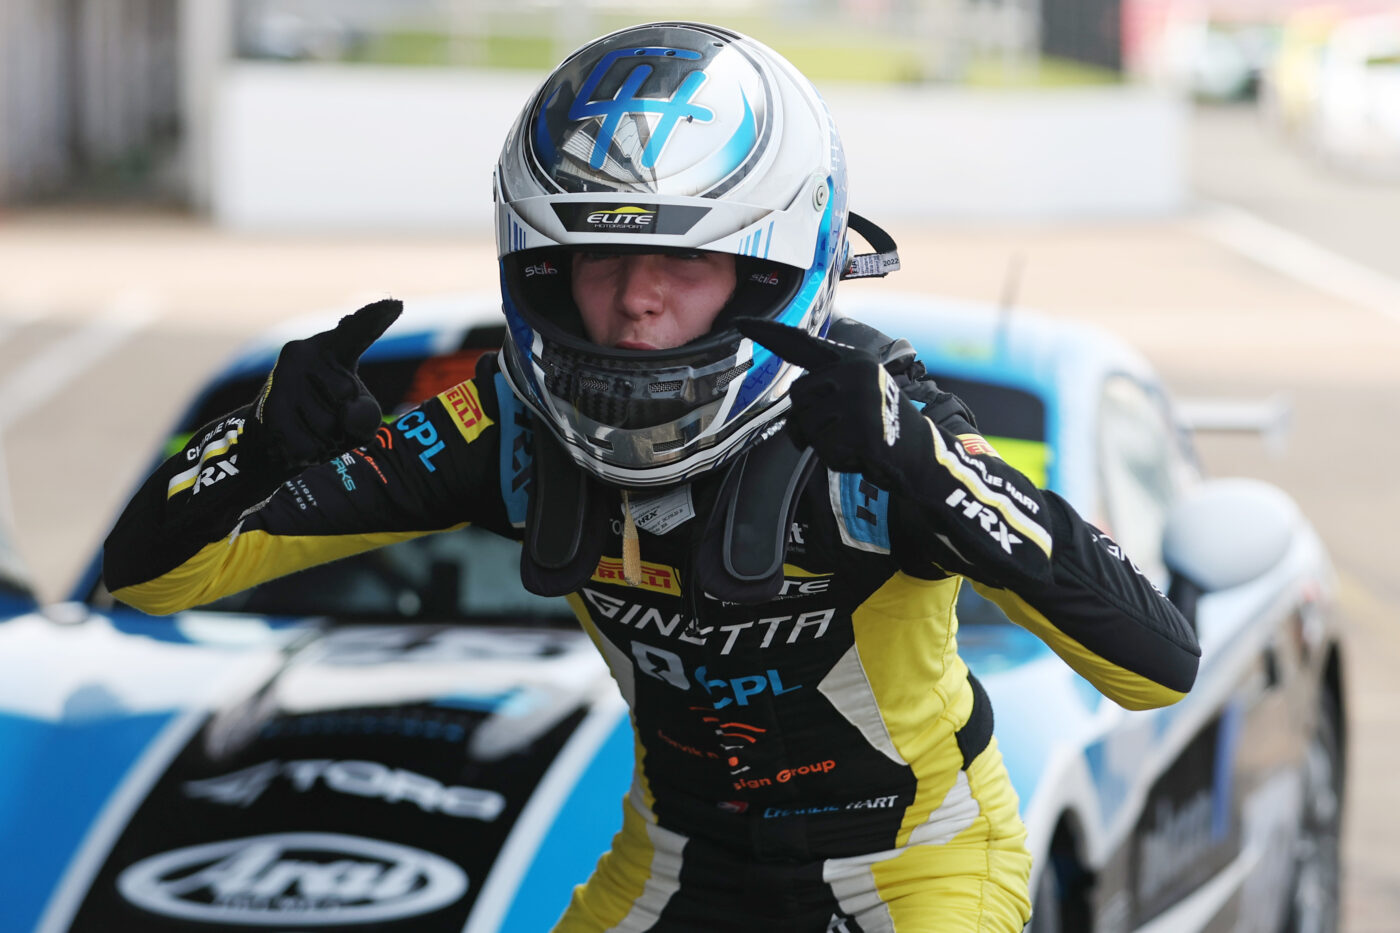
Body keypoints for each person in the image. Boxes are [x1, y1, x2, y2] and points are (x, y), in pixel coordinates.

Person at [104, 21, 1199, 932]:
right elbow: (151, 582)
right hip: (671, 864)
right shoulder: (504, 424)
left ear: (775, 266)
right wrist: (252, 446)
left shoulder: (878, 430)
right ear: (539, 266)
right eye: (598, 258)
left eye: (683, 258)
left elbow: (1154, 664)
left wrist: (927, 468)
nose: (635, 298)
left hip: (918, 869)